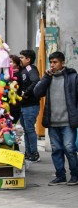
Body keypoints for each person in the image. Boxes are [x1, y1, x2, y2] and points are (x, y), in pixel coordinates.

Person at [31, 51, 78, 185]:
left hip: (68, 121)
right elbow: (37, 92)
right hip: (52, 122)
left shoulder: (72, 77)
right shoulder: (48, 78)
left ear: (62, 63)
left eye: (55, 62)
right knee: (56, 149)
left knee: (69, 149)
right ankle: (60, 175)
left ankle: (75, 175)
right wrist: (46, 77)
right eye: (50, 62)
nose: (52, 65)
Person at [17, 49, 42, 162]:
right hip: (23, 106)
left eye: (22, 57)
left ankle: (34, 153)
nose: (20, 59)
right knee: (26, 130)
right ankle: (28, 153)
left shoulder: (30, 68)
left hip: (30, 105)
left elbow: (36, 81)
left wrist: (26, 92)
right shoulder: (22, 70)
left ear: (28, 59)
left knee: (30, 129)